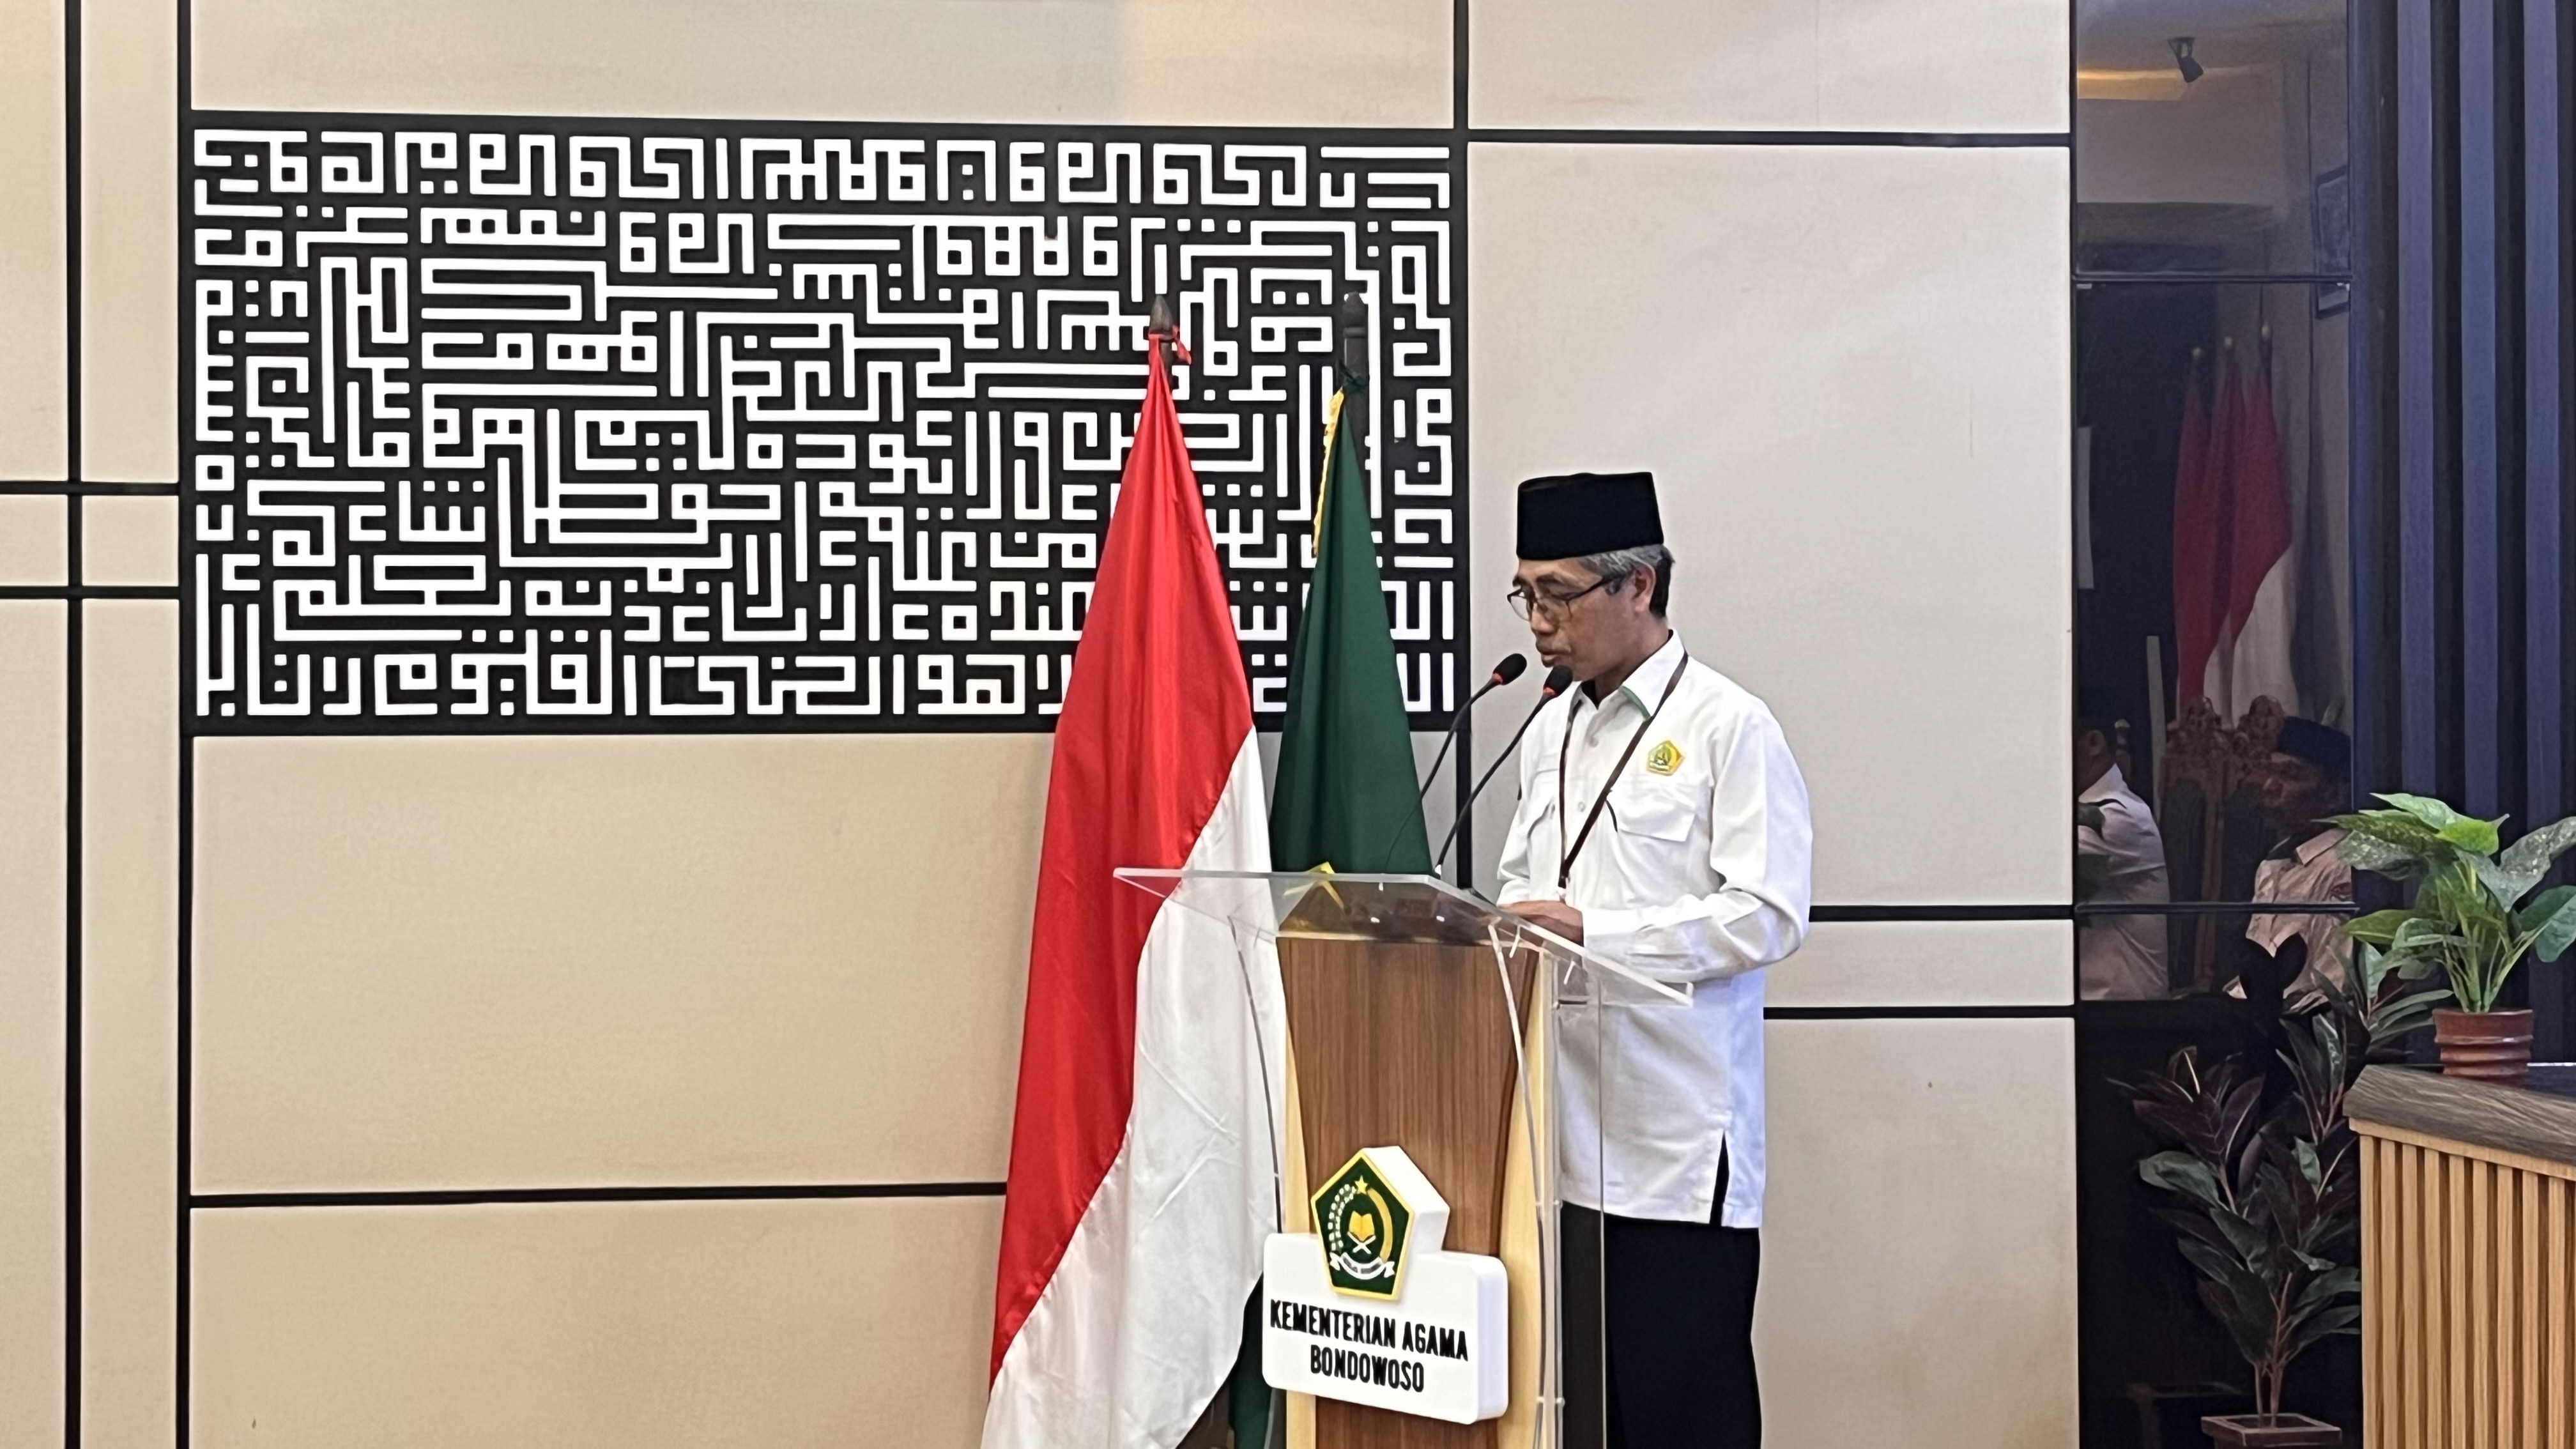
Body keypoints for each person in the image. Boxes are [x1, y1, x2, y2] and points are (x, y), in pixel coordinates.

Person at [1494, 471, 1812, 1449]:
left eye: (1559, 594)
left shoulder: (1728, 726)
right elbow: (1521, 889)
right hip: (1557, 1141)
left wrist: (1596, 933)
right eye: (1526, 595)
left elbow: (1766, 916)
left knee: (1682, 1419)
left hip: (1675, 1150)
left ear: (1639, 585)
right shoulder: (1549, 728)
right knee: (1583, 1420)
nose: (1539, 623)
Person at [2241, 717, 2355, 1009]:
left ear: (2334, 794)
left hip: (2304, 1024)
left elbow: (2333, 988)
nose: (2270, 786)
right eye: (2270, 771)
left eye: (2290, 775)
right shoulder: (2273, 862)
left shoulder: (2343, 864)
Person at [2075, 716, 2170, 999]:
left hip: (2121, 1013)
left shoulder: (2119, 816)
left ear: (2094, 743)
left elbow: (2035, 867)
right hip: (2083, 1009)